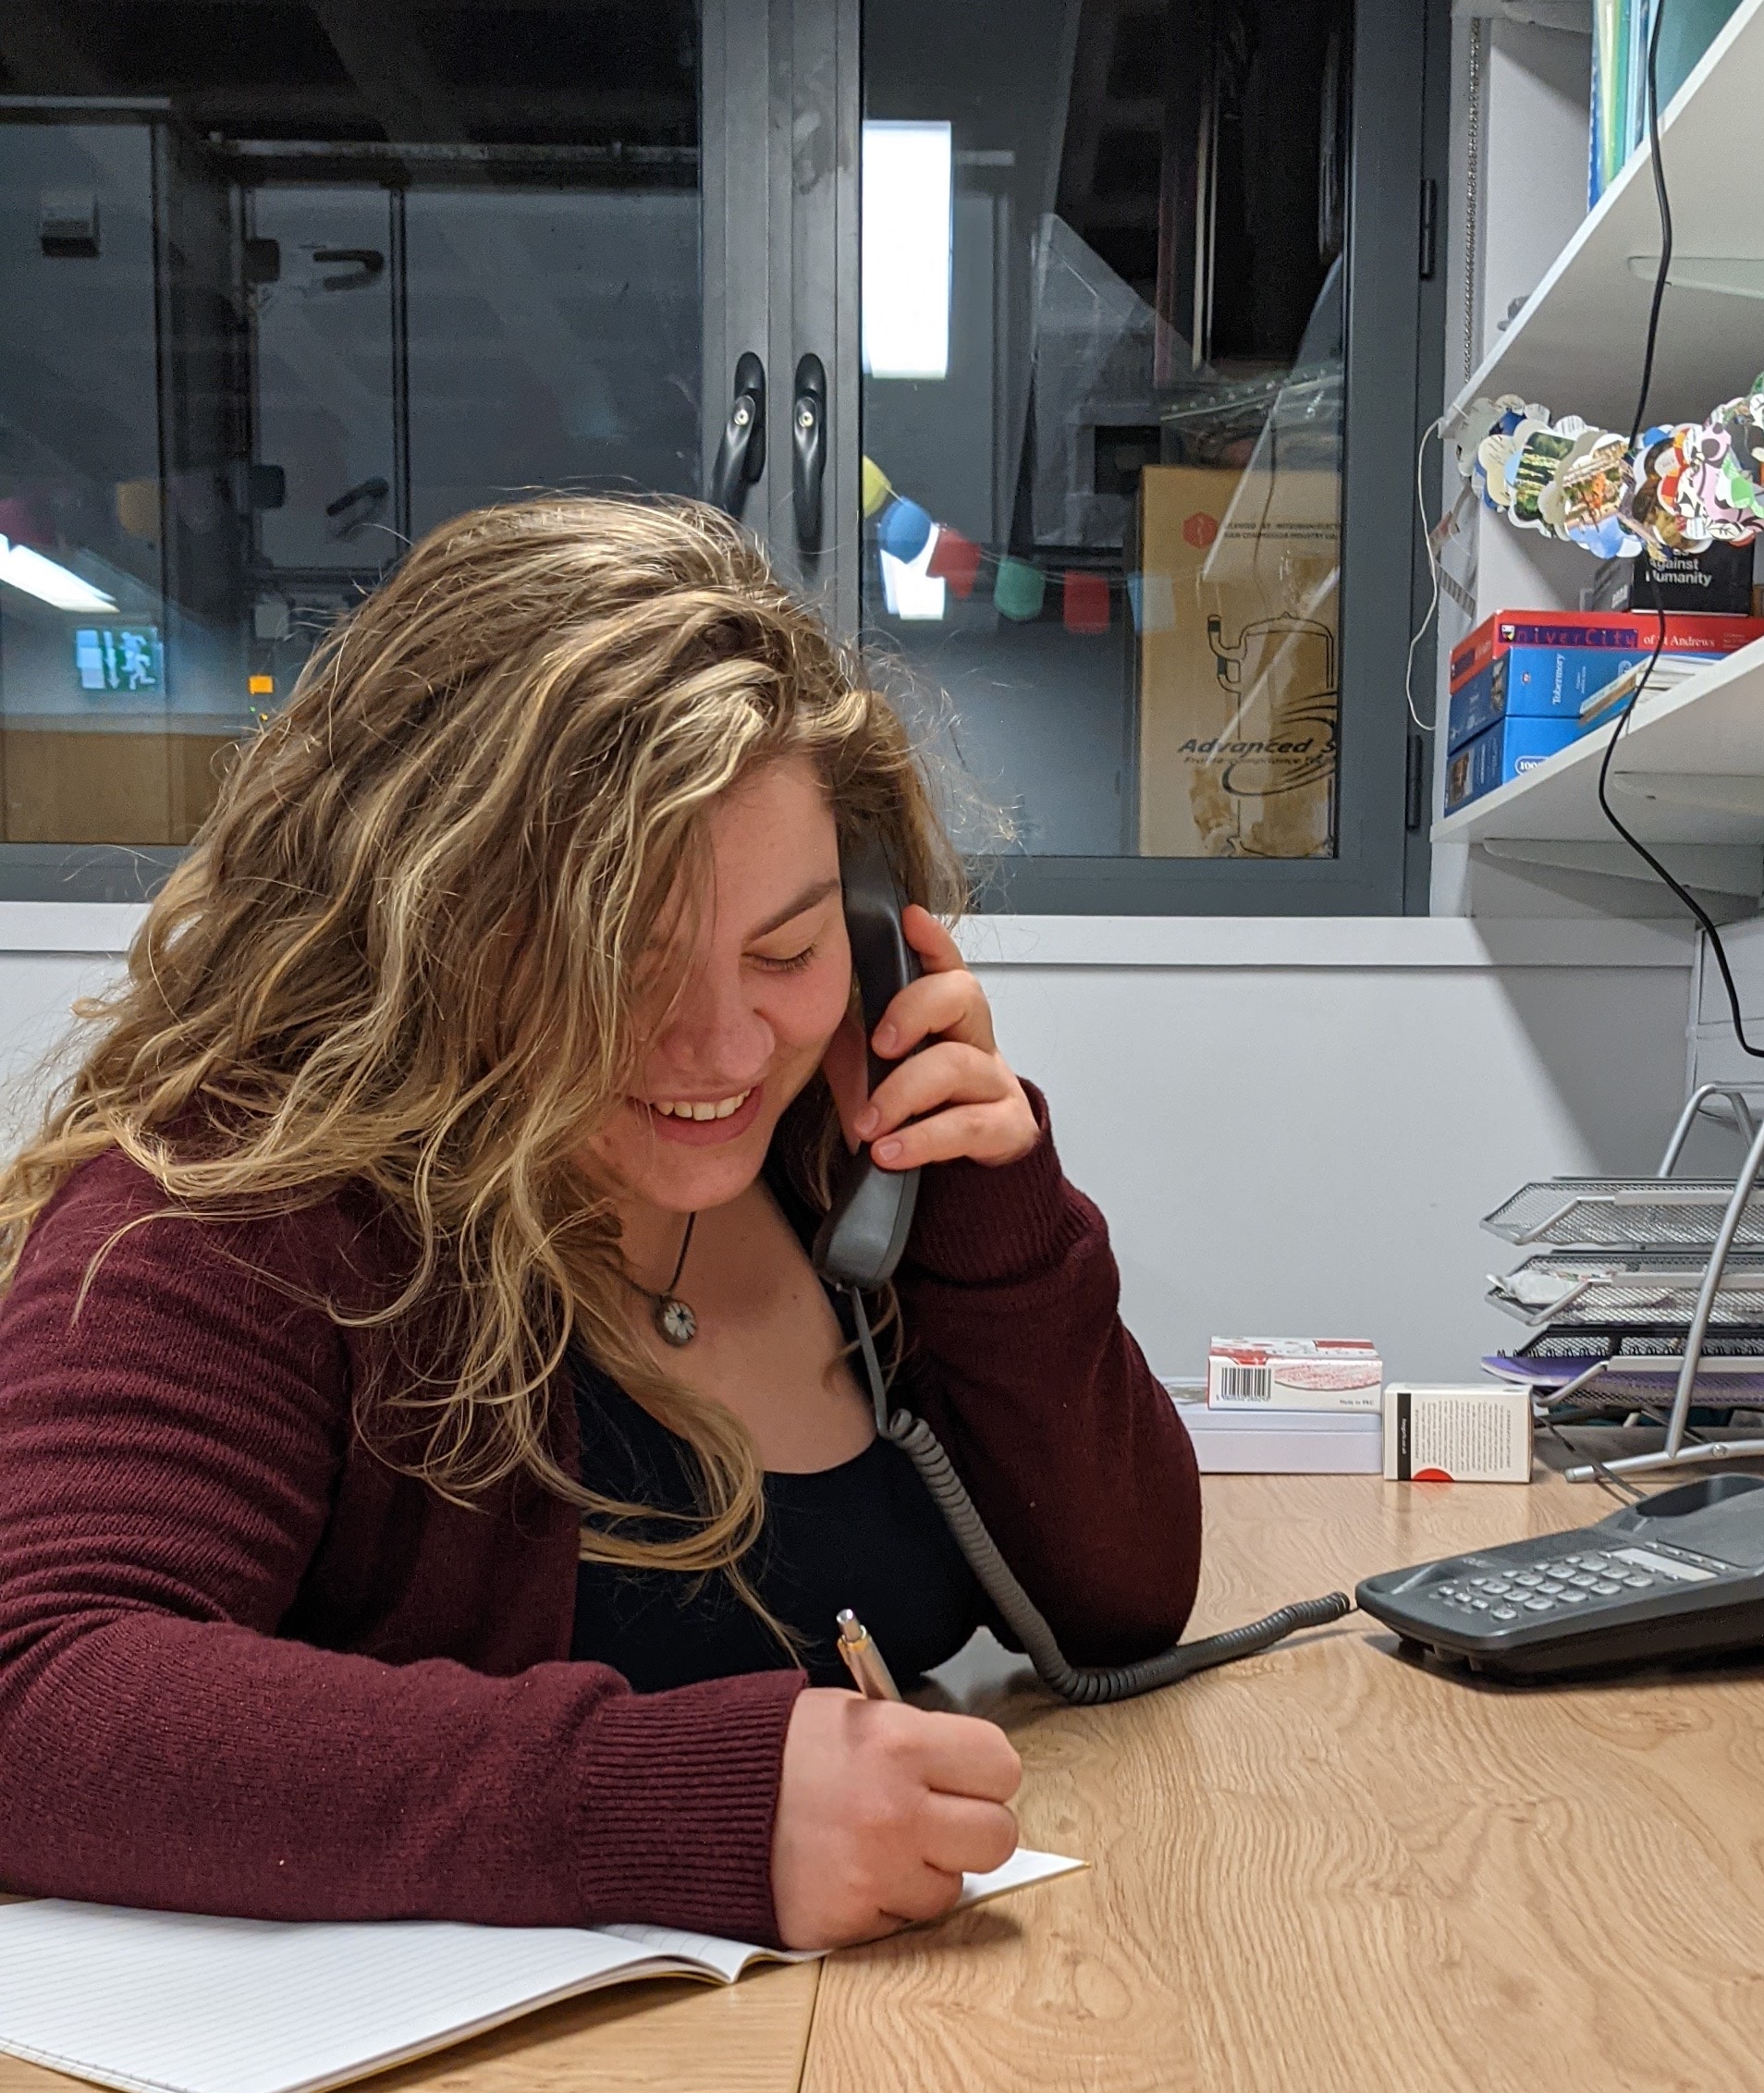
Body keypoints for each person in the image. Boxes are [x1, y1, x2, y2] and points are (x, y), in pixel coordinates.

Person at [0, 497, 1200, 1951]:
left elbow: (1124, 1605)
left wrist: (988, 1202)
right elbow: (39, 1691)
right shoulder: (238, 1200)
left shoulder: (838, 1157)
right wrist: (672, 1808)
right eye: (615, 961)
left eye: (788, 947)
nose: (722, 1050)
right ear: (421, 923)